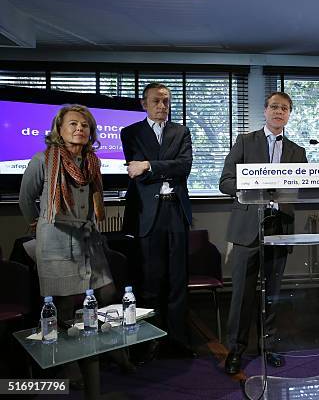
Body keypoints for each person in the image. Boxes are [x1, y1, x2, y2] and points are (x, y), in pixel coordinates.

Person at [19, 104, 134, 380]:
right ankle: (70, 364)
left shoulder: (92, 162)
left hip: (88, 239)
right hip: (56, 240)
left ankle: (108, 349)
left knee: (106, 294)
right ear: (59, 129)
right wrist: (41, 225)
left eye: (84, 126)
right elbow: (26, 199)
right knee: (65, 305)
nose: (79, 129)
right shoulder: (43, 160)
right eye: (72, 124)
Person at [219, 92, 308, 375]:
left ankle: (269, 347)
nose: (278, 112)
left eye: (284, 108)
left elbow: (302, 189)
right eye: (274, 107)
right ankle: (236, 349)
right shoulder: (245, 141)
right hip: (248, 229)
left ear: (290, 114)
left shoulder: (297, 151)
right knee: (242, 295)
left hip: (279, 227)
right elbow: (225, 182)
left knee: (272, 294)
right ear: (265, 111)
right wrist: (251, 188)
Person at [121, 82, 194, 357]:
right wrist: (164, 168)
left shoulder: (181, 131)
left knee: (178, 280)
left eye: (165, 101)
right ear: (144, 104)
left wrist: (150, 165)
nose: (162, 106)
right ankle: (147, 344)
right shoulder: (130, 133)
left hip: (176, 210)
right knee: (149, 282)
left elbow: (184, 166)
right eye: (156, 101)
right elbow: (134, 169)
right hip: (146, 214)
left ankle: (178, 342)